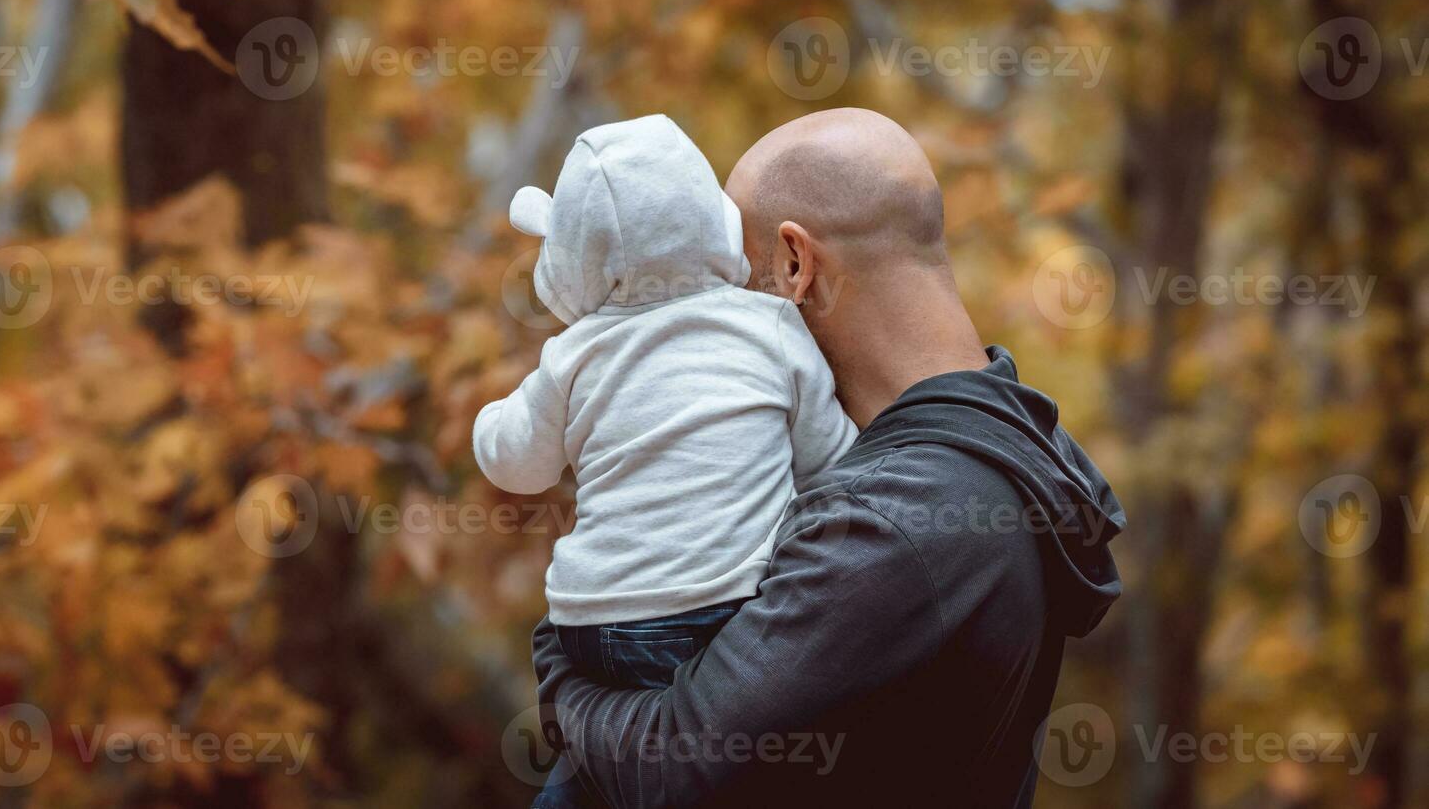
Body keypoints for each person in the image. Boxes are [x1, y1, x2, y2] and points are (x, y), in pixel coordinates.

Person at [529, 108, 1126, 806]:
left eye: (733, 281)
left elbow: (677, 763)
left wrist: (560, 664)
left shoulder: (899, 514)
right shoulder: (1001, 453)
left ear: (794, 265)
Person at [471, 114, 859, 806]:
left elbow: (517, 465)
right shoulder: (769, 325)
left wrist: (486, 425)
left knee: (594, 774)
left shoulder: (575, 354)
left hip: (596, 625)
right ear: (714, 219)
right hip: (731, 613)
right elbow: (832, 459)